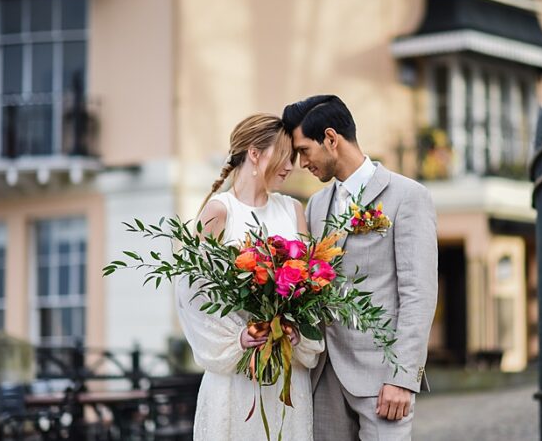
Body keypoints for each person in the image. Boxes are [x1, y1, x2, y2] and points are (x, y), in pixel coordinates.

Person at [282, 95, 438, 441]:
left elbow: (419, 293)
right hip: (324, 376)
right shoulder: (317, 204)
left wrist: (403, 377)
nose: (301, 163)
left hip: (383, 379)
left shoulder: (407, 196)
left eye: (304, 150)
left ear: (331, 139)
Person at [174, 114, 324, 440]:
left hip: (287, 375)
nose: (291, 166)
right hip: (237, 377)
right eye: (284, 156)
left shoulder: (292, 209)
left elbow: (312, 282)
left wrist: (299, 331)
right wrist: (237, 339)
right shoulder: (220, 210)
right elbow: (190, 290)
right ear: (255, 153)